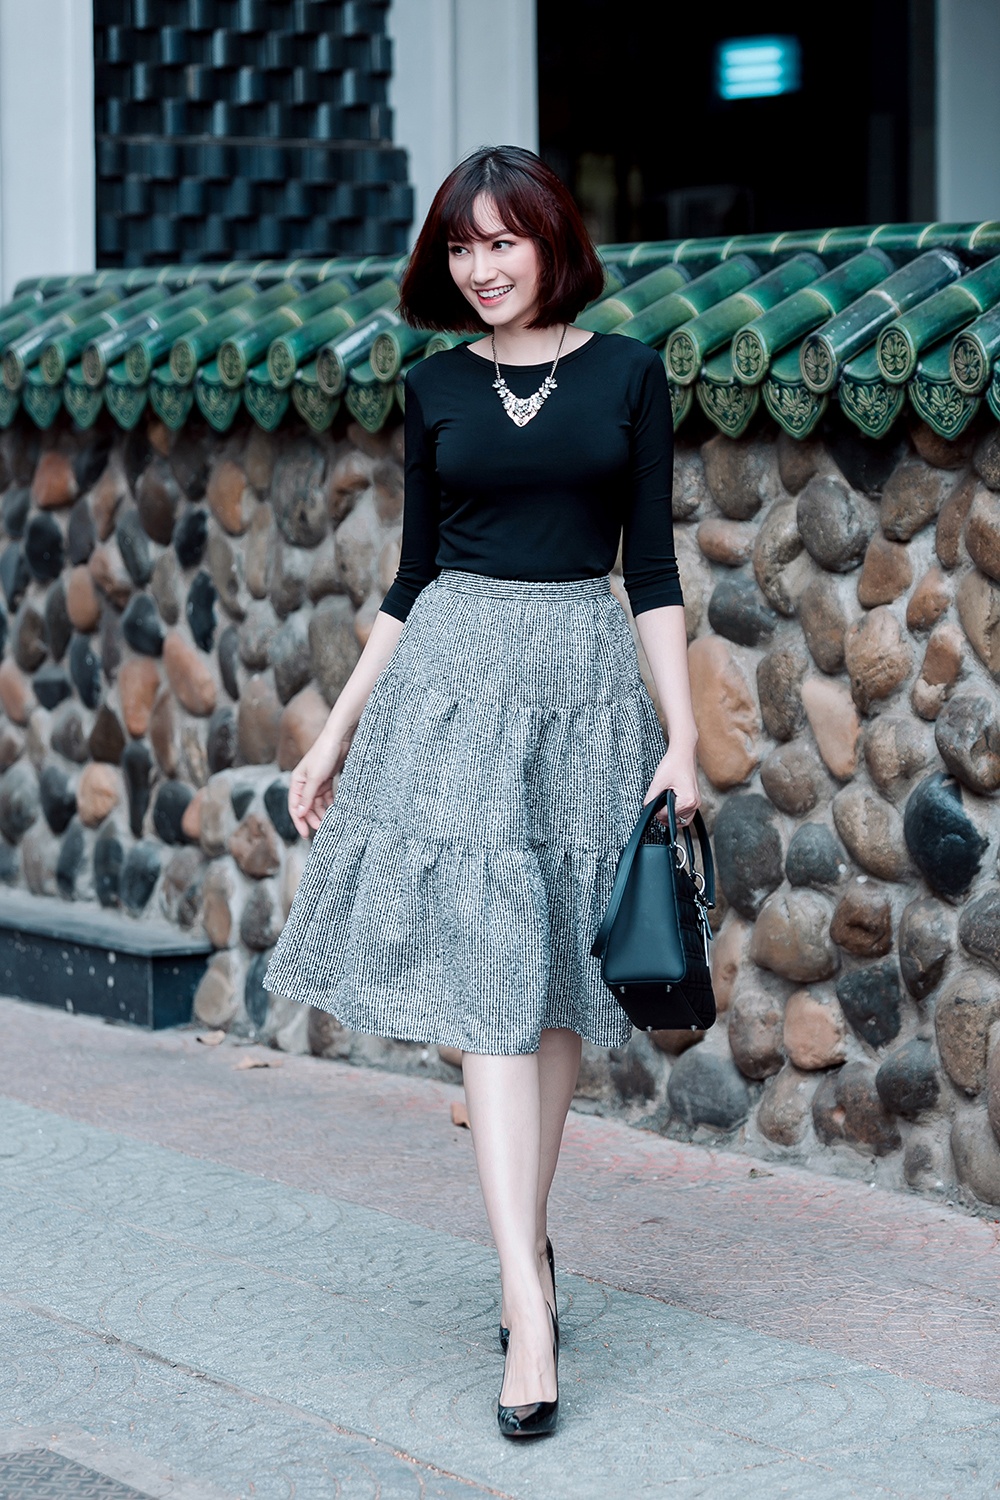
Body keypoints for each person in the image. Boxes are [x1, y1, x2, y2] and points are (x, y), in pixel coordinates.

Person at [265, 145, 700, 1439]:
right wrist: (335, 735)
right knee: (494, 987)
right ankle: (527, 1300)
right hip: (453, 690)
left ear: (552, 241)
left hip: (582, 685)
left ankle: (530, 1250)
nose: (482, 267)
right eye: (461, 247)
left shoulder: (626, 373)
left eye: (503, 241)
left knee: (552, 981)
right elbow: (410, 578)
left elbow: (653, 570)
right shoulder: (437, 385)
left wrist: (682, 740)